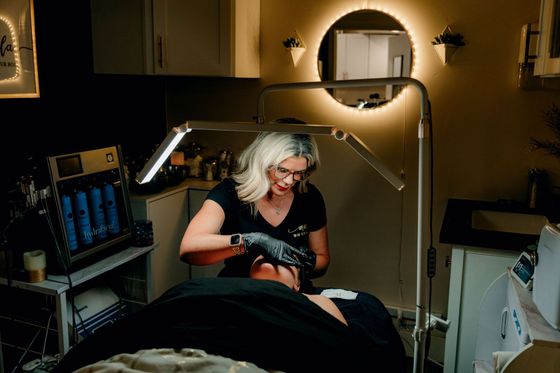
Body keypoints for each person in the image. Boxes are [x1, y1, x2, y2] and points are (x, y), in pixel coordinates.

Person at [180, 132, 329, 289]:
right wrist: (250, 241)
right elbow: (189, 248)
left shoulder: (309, 197)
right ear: (263, 161)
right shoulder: (230, 192)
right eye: (282, 170)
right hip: (239, 292)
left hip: (290, 296)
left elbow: (323, 260)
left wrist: (305, 262)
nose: (289, 181)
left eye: (299, 173)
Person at [249, 254, 347, 326]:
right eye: (264, 254)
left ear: (297, 283)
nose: (273, 253)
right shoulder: (244, 302)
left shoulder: (319, 302)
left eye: (284, 257)